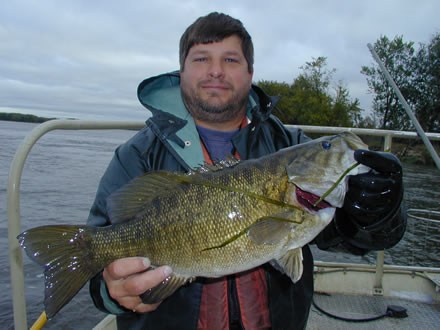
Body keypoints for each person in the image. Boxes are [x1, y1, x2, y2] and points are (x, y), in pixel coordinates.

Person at [87, 12, 406, 330]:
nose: (215, 71)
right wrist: (111, 290)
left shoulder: (290, 145)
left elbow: (355, 239)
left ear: (250, 72)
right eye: (201, 59)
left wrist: (379, 214)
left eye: (230, 59)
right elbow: (96, 276)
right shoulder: (137, 157)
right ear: (181, 71)